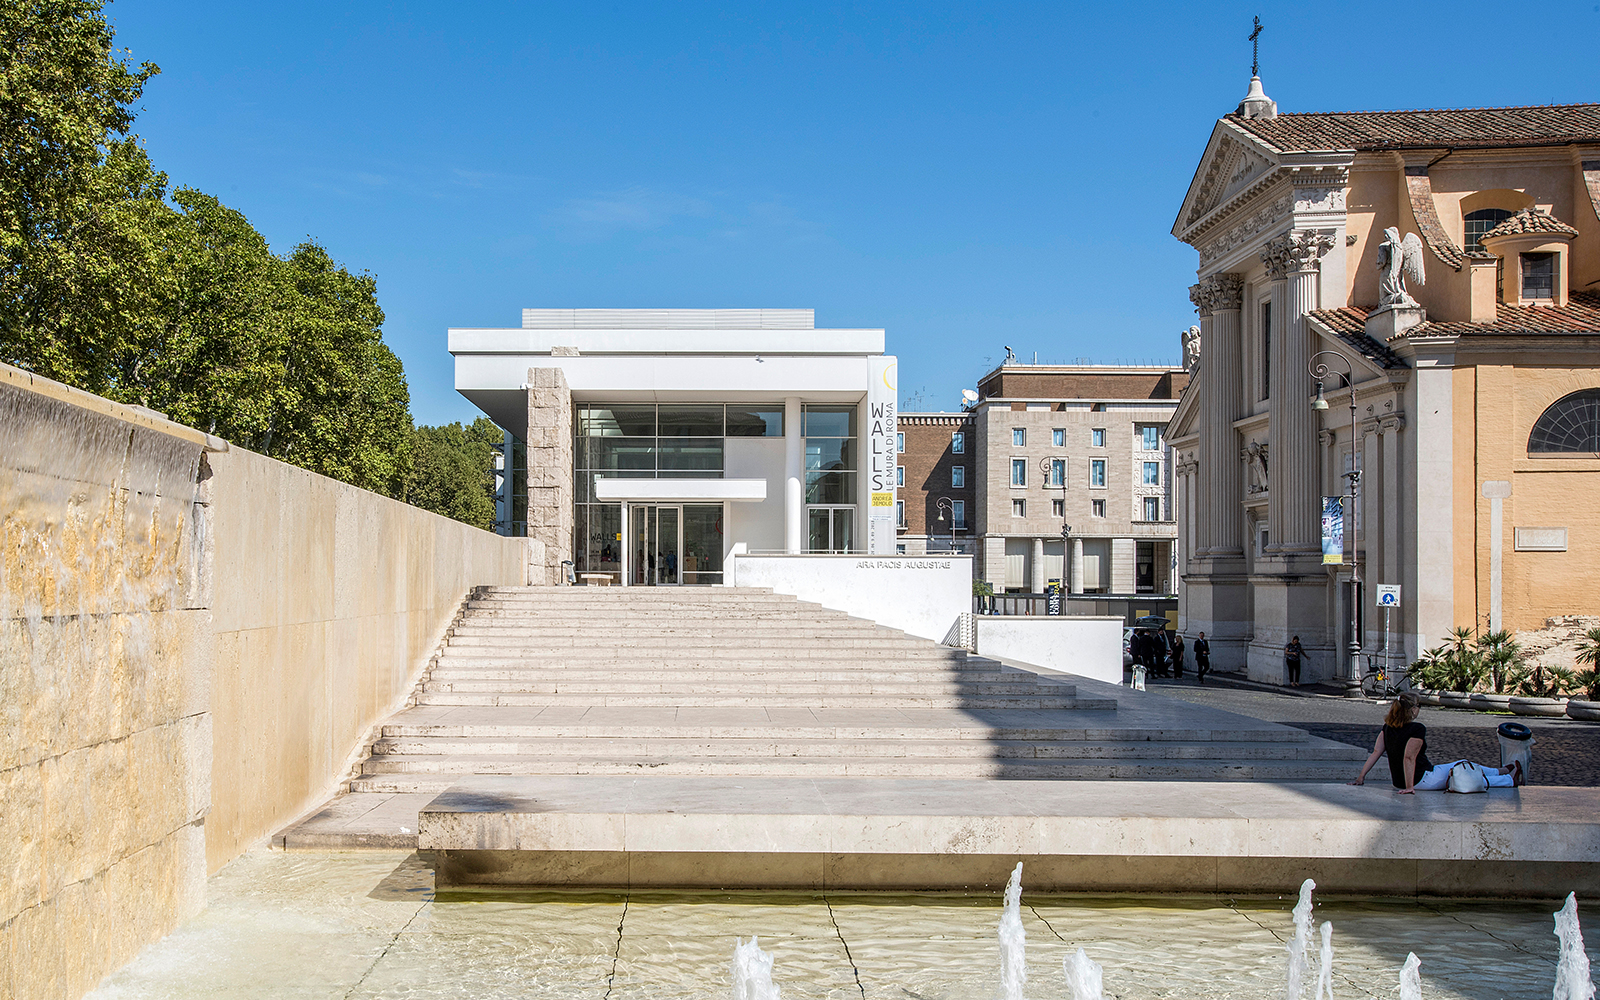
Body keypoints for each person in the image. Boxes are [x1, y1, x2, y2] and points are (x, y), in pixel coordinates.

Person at [1350, 693, 1523, 793]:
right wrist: (1410, 787)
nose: (1419, 709)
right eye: (1418, 706)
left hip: (1400, 781)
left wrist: (1361, 777)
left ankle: (1500, 770)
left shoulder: (1387, 728)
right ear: (1412, 709)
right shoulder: (1417, 729)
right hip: (1423, 779)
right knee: (1465, 776)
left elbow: (1375, 752)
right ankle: (1508, 780)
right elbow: (1409, 758)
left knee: (1463, 765)